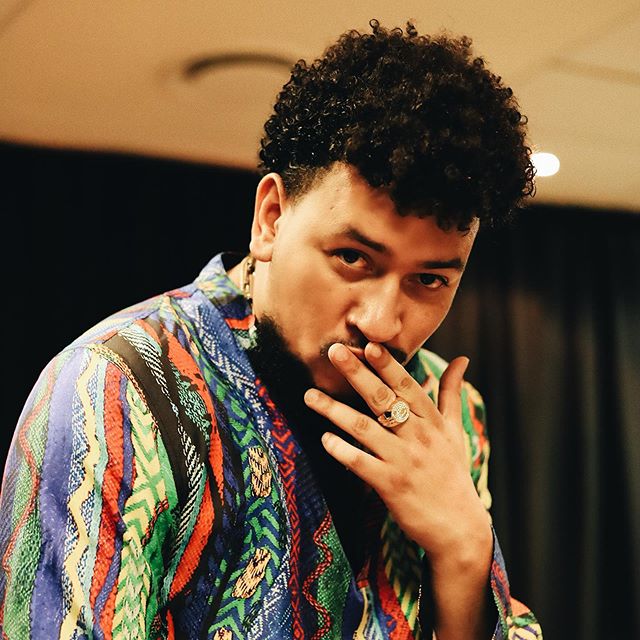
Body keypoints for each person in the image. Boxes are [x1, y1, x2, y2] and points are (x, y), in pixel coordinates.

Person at [0, 20, 542, 640]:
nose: (380, 322)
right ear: (271, 218)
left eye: (430, 280)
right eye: (352, 258)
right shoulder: (122, 388)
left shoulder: (448, 415)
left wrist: (466, 550)